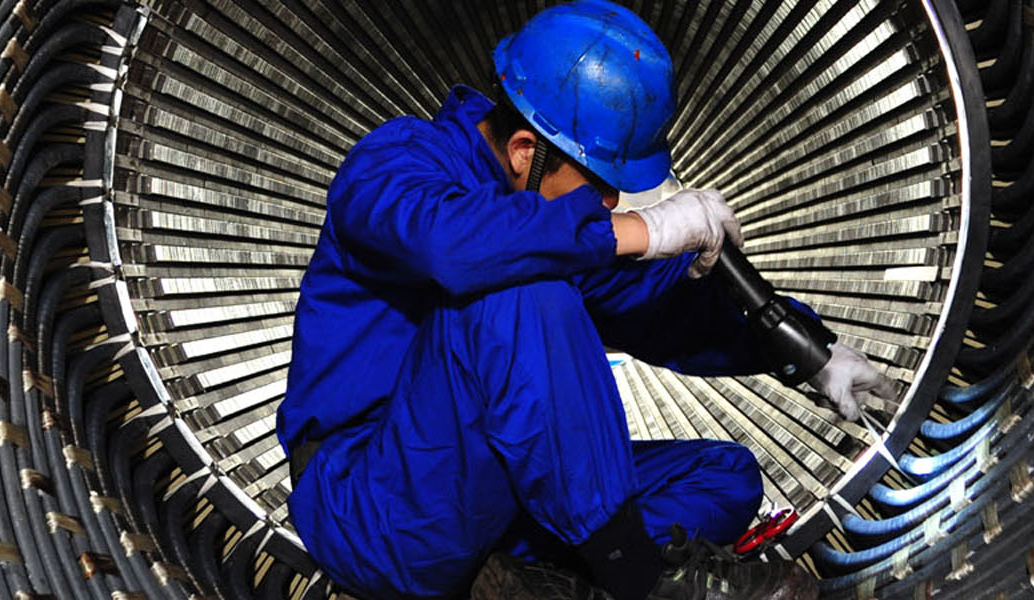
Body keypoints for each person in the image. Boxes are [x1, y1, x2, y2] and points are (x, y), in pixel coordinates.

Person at [279, 2, 892, 598]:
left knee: (725, 479)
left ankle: (540, 585)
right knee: (519, 287)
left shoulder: (548, 233)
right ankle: (639, 580)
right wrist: (641, 231)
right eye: (598, 183)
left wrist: (806, 350)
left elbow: (661, 311)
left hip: (490, 506)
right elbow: (452, 246)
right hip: (372, 508)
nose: (607, 204)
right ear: (525, 151)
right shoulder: (395, 162)